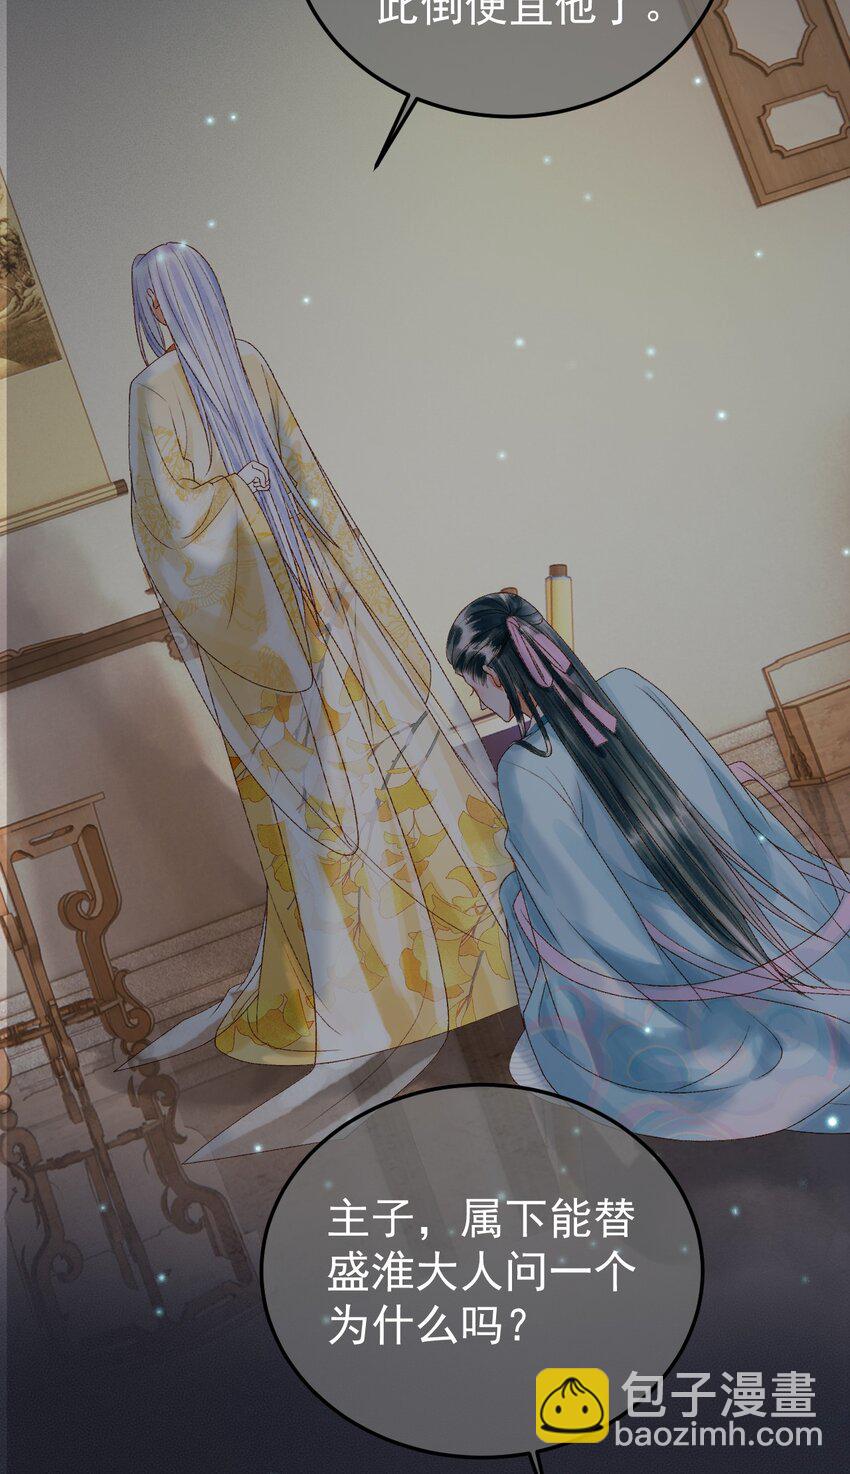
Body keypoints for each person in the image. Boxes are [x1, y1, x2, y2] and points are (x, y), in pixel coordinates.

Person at [127, 244, 515, 1156]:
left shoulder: (160, 388)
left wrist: (247, 528)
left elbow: (171, 520)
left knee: (327, 783)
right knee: (361, 766)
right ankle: (445, 942)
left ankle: (384, 967)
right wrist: (288, 528)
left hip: (269, 607)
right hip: (305, 594)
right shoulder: (232, 365)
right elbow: (294, 481)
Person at [447, 592, 850, 1140]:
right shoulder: (630, 689)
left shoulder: (526, 768)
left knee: (518, 892)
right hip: (741, 897)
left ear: (493, 677)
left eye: (474, 686)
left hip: (664, 949)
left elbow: (590, 914)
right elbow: (724, 800)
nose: (479, 700)